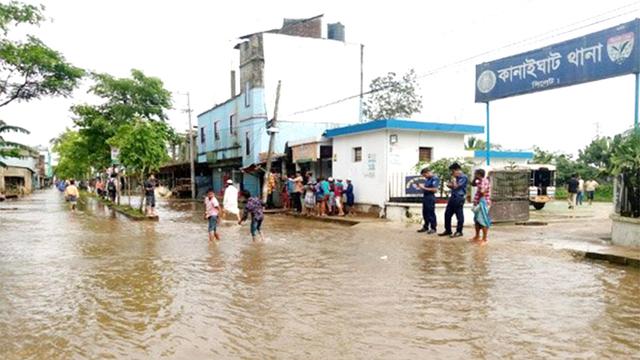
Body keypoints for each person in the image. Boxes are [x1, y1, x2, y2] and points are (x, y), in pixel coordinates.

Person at [439, 163, 468, 238]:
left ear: (457, 170)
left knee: (459, 215)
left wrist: (454, 181)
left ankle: (459, 231)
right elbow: (450, 185)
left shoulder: (463, 177)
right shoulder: (456, 177)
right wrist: (451, 184)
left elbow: (455, 186)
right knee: (447, 214)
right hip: (453, 197)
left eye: (453, 171)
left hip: (459, 198)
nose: (452, 173)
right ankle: (448, 230)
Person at [471, 169, 491, 245]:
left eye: (475, 174)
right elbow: (472, 184)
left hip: (483, 202)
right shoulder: (479, 181)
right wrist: (476, 179)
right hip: (478, 202)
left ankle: (484, 239)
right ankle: (477, 236)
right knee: (477, 220)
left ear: (478, 174)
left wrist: (480, 201)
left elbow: (483, 191)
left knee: (483, 220)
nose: (474, 175)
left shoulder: (484, 181)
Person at [417, 168, 439, 234]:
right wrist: (421, 187)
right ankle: (425, 227)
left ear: (428, 173)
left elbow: (435, 190)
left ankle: (433, 228)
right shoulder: (428, 179)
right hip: (425, 197)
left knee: (431, 213)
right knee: (425, 213)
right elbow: (427, 188)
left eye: (425, 175)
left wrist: (423, 187)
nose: (424, 177)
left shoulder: (435, 179)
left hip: (430, 197)